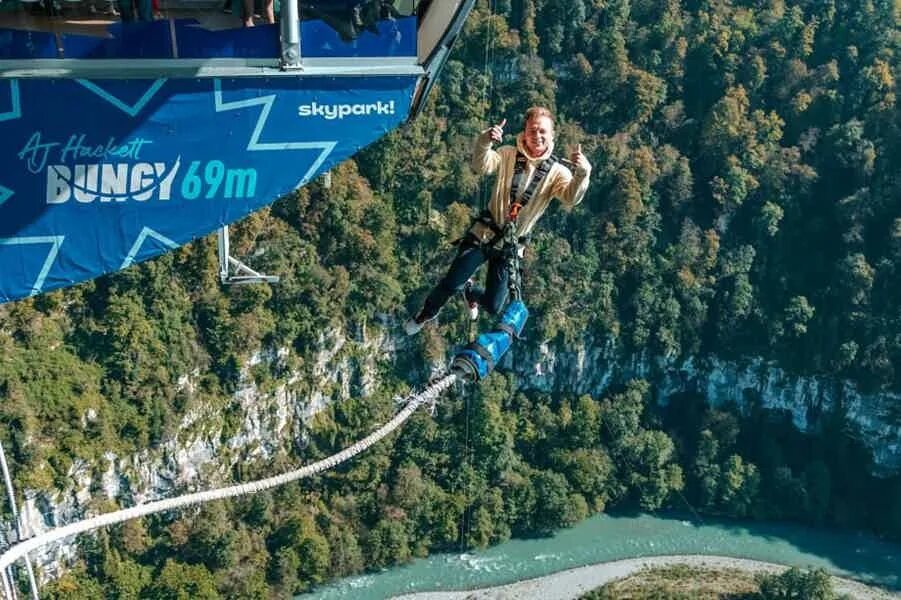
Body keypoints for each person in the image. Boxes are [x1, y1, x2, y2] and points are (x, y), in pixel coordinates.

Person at [404, 106, 592, 335]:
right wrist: (485, 141)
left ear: (552, 135)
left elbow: (571, 197)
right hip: (484, 233)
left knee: (494, 306)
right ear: (524, 132)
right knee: (452, 282)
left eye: (543, 131)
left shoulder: (558, 172)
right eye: (533, 130)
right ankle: (425, 314)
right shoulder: (508, 154)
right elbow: (481, 165)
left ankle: (471, 292)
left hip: (510, 246)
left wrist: (582, 173)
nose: (537, 136)